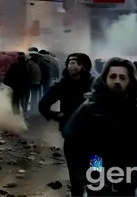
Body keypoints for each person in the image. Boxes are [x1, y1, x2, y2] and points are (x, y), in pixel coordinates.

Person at [64, 58, 137, 196]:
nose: (117, 81)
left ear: (130, 81)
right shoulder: (90, 108)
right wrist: (79, 176)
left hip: (128, 165)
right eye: (113, 76)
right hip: (96, 162)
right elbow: (72, 141)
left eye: (122, 77)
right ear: (104, 79)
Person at [38, 53, 94, 196]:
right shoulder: (61, 85)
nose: (72, 65)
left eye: (75, 63)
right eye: (69, 63)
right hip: (72, 136)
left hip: (94, 137)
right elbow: (43, 104)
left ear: (83, 66)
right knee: (75, 174)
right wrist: (56, 116)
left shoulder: (94, 84)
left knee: (96, 170)